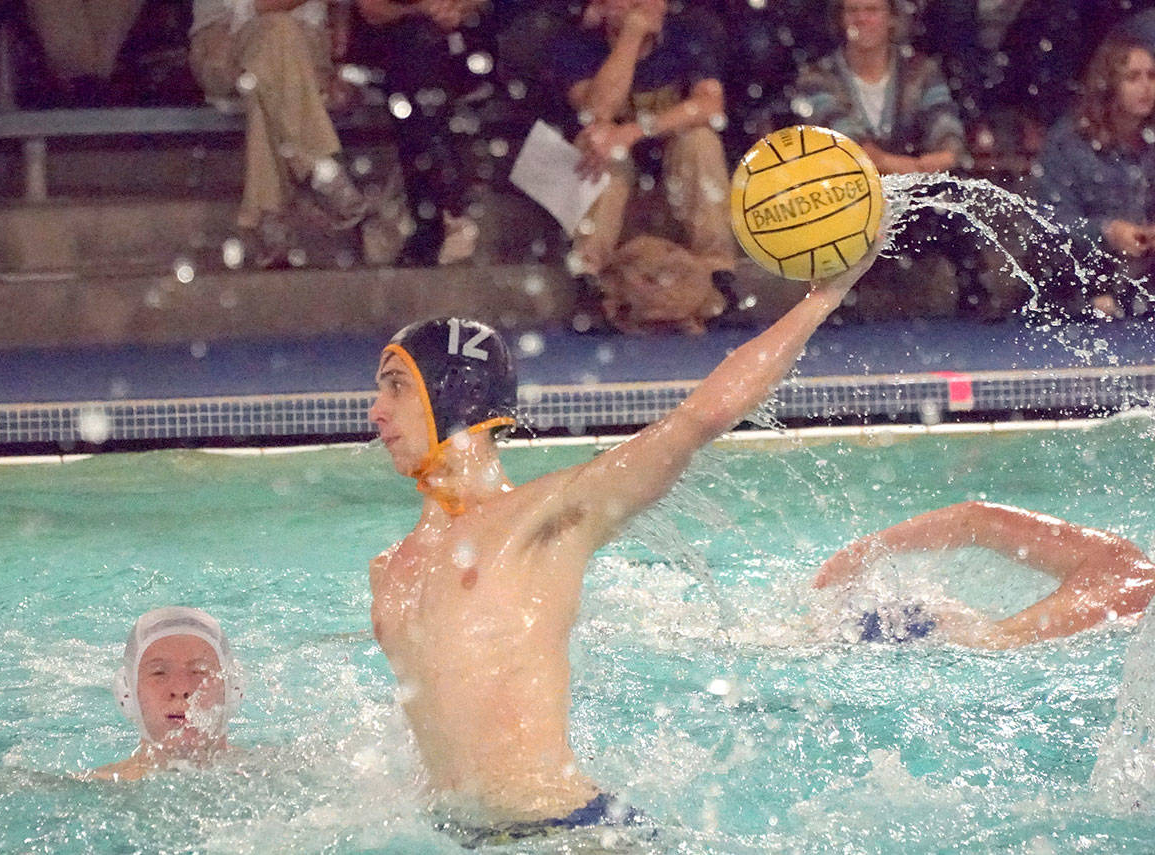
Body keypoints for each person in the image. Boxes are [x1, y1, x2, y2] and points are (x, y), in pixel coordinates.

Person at [365, 242, 879, 836]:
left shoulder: (543, 518)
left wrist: (826, 296)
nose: (376, 410)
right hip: (463, 835)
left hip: (565, 828)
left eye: (396, 386)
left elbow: (696, 420)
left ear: (453, 394)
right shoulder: (389, 568)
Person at [790, 0, 992, 320]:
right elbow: (846, 142)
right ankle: (836, 299)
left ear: (891, 19)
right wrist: (906, 166)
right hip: (847, 190)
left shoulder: (921, 70)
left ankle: (975, 290)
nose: (862, 20)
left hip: (912, 190)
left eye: (872, 10)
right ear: (840, 20)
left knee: (951, 193)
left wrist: (940, 157)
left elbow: (944, 124)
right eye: (853, 11)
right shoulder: (817, 76)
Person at [552, 0, 736, 308]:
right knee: (597, 143)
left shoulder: (689, 31)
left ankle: (718, 274)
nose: (646, 7)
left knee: (700, 140)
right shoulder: (575, 44)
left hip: (672, 175)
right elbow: (597, 112)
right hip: (614, 182)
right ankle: (588, 277)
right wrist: (631, 38)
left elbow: (710, 106)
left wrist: (633, 131)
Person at [815, 501, 1155, 648]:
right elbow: (976, 519)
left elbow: (975, 518)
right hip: (940, 650)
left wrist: (861, 553)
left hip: (926, 636)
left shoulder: (1117, 562)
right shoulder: (1127, 579)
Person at [189, 0, 374, 268]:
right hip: (225, 43)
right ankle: (316, 165)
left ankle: (270, 214)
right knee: (279, 32)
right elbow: (254, 7)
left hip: (306, 52)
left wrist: (340, 54)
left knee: (264, 82)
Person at [350, 0, 492, 266]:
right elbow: (371, 9)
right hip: (396, 46)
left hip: (460, 42)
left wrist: (457, 8)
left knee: (417, 90)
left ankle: (435, 219)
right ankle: (447, 205)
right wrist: (422, 10)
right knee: (413, 59)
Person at [1036, 31, 1155, 320]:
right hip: (1082, 276)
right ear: (1109, 85)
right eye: (1132, 77)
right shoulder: (1070, 142)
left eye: (1151, 76)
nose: (1146, 87)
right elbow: (1050, 223)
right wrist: (1107, 232)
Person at [88, 606, 244, 781]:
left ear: (232, 688)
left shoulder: (272, 775)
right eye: (159, 672)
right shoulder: (86, 791)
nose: (180, 689)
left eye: (200, 671)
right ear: (127, 692)